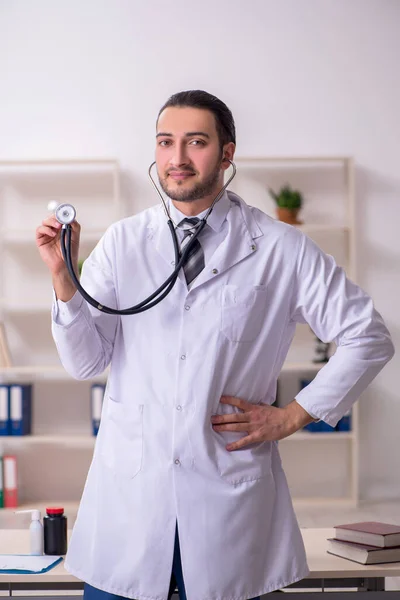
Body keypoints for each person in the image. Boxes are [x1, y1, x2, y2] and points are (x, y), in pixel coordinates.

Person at [35, 90, 394, 600]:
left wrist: (294, 414)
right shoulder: (122, 243)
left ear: (227, 154)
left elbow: (369, 336)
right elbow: (85, 361)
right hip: (129, 513)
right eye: (165, 142)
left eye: (195, 142)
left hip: (231, 511)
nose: (177, 159)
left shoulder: (279, 248)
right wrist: (63, 279)